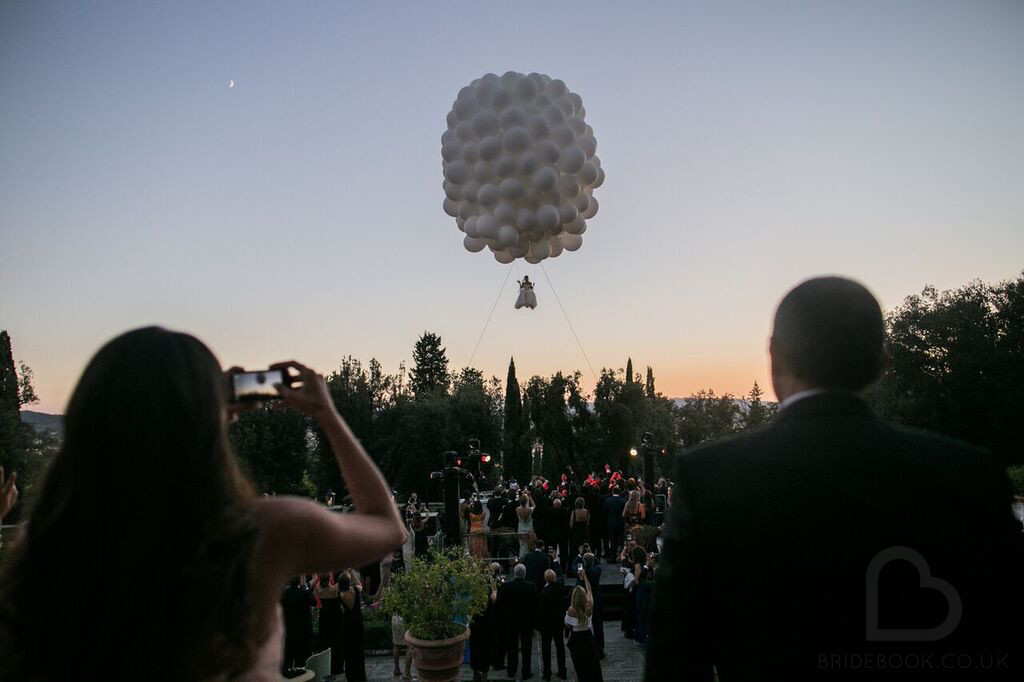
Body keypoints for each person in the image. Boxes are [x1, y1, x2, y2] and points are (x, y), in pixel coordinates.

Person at [645, 277, 1024, 680]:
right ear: (882, 363)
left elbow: (675, 662)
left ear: (775, 355)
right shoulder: (971, 475)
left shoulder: (710, 478)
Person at [0, 328, 407, 682]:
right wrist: (327, 415)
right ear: (213, 420)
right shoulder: (261, 535)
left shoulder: (41, 560)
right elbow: (387, 526)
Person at [498, 563, 538, 680]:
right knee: (527, 648)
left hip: (511, 621)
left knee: (512, 647)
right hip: (526, 621)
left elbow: (501, 604)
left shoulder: (506, 587)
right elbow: (535, 605)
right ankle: (526, 671)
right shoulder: (531, 586)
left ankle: (511, 670)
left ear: (514, 573)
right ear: (524, 574)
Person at [565, 566, 603, 682]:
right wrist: (584, 576)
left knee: (578, 666)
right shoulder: (589, 606)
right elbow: (590, 590)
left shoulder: (571, 610)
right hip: (588, 637)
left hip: (576, 639)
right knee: (591, 665)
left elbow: (567, 625)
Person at [538, 569, 569, 681]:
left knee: (546, 650)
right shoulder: (561, 589)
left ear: (545, 579)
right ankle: (562, 670)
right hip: (558, 623)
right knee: (560, 646)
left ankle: (547, 673)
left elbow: (541, 611)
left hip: (546, 625)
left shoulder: (543, 593)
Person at [280, 576, 313, 675]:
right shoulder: (303, 593)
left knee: (289, 652)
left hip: (288, 627)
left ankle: (287, 670)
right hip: (301, 628)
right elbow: (313, 601)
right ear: (299, 581)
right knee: (300, 654)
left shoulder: (284, 593)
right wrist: (306, 587)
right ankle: (300, 672)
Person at [337, 570, 366, 682]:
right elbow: (360, 585)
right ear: (349, 581)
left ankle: (351, 675)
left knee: (349, 649)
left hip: (347, 622)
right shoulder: (355, 590)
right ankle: (360, 675)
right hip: (357, 620)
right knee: (358, 648)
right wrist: (353, 574)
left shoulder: (340, 593)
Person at [314, 572, 343, 676]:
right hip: (335, 616)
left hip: (324, 616)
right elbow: (342, 580)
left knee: (325, 640)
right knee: (336, 640)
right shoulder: (334, 589)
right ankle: (337, 667)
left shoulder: (319, 589)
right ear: (329, 578)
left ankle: (325, 666)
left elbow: (315, 591)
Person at [603, 487, 626, 564]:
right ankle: (623, 558)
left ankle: (613, 558)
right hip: (620, 523)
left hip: (611, 523)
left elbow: (605, 512)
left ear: (612, 492)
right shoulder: (623, 501)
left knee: (613, 542)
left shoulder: (608, 501)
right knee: (621, 541)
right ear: (619, 492)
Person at [391, 613, 413, 681]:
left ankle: (396, 669)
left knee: (396, 644)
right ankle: (407, 673)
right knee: (410, 645)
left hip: (395, 618)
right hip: (407, 618)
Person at [517, 490, 536, 559]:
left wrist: (523, 495)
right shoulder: (529, 510)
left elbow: (521, 504)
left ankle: (522, 557)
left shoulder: (517, 509)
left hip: (521, 527)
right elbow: (534, 505)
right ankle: (529, 557)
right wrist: (529, 497)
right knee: (529, 544)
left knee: (522, 544)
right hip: (529, 528)